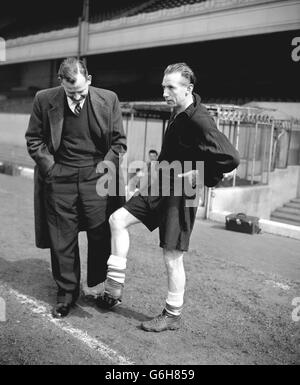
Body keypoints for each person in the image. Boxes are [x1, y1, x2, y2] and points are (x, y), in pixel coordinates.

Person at [97, 62, 240, 332]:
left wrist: (201, 176)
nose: (165, 92)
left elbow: (231, 157)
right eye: (163, 86)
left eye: (171, 87)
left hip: (181, 191)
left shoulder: (200, 119)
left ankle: (172, 314)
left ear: (189, 89)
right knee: (118, 219)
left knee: (172, 255)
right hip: (162, 182)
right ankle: (113, 291)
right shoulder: (178, 111)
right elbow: (168, 154)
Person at [25, 57, 126, 318]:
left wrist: (105, 168)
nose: (77, 97)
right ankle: (66, 293)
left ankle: (95, 286)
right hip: (60, 177)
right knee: (63, 237)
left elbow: (119, 143)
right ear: (61, 83)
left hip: (98, 176)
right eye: (71, 93)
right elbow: (34, 140)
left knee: (100, 232)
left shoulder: (109, 99)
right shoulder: (44, 99)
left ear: (89, 80)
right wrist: (51, 168)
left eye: (81, 91)